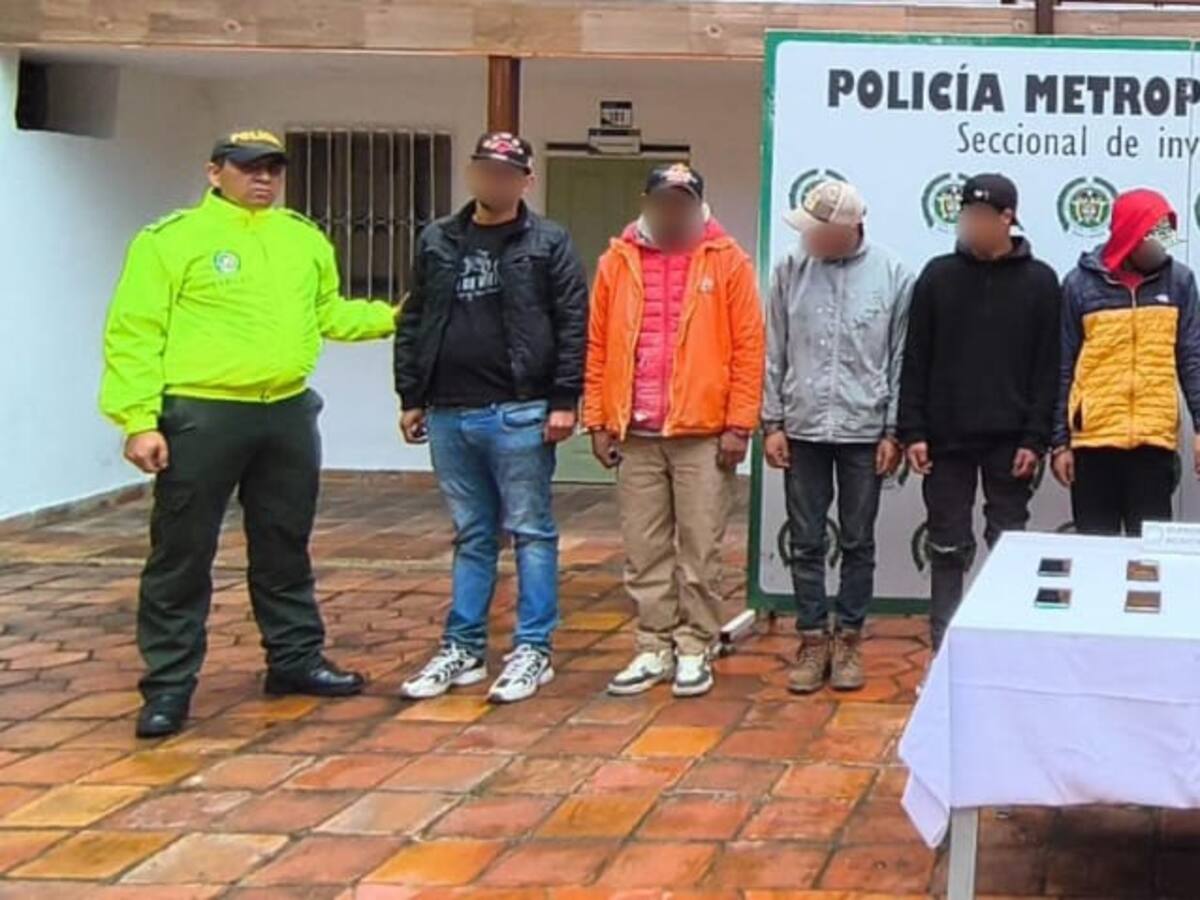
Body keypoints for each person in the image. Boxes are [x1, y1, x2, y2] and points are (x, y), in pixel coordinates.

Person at [100, 130, 399, 738]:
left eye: (273, 169)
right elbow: (134, 332)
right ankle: (168, 687)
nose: (262, 179)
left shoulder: (302, 238)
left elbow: (328, 314)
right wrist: (137, 420)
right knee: (182, 555)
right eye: (248, 168)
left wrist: (395, 317)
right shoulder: (171, 241)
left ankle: (293, 659)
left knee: (284, 545)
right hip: (202, 414)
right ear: (215, 172)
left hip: (285, 412)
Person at [395, 132, 588, 704]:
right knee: (472, 534)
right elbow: (415, 319)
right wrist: (411, 395)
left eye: (507, 172)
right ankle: (463, 648)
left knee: (530, 531)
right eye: (485, 170)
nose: (494, 181)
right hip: (449, 413)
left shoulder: (548, 241)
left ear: (525, 180)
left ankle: (533, 648)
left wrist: (563, 399)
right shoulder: (438, 240)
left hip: (520, 411)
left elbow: (572, 322)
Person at [584, 163, 764, 699]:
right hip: (636, 432)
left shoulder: (728, 262)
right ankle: (652, 645)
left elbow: (749, 349)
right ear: (647, 202)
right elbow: (597, 347)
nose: (672, 213)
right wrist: (598, 418)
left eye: (683, 203)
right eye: (664, 202)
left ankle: (695, 645)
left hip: (704, 433)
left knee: (700, 548)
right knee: (643, 548)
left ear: (698, 207)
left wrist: (739, 425)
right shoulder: (617, 261)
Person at [762, 179, 913, 694]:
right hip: (802, 427)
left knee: (858, 540)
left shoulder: (893, 274)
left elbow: (899, 358)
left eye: (818, 231)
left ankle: (847, 640)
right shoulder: (788, 269)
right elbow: (773, 348)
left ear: (848, 229)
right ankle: (811, 638)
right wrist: (773, 422)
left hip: (864, 430)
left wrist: (892, 429)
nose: (808, 239)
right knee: (805, 541)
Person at [898, 173, 1060, 652]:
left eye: (978, 215)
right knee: (947, 542)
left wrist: (1035, 439)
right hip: (945, 438)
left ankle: (1004, 638)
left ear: (1007, 218)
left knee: (1007, 540)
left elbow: (1047, 367)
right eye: (963, 214)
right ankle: (945, 642)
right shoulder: (937, 275)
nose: (967, 223)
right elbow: (915, 357)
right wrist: (913, 430)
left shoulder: (1041, 281)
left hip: (1011, 440)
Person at [1052, 188, 1200, 535]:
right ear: (1130, 233)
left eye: (1166, 233)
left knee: (1147, 561)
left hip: (1153, 443)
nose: (1162, 243)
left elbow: (1192, 357)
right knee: (1094, 554)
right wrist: (1060, 443)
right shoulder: (1079, 285)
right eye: (1154, 233)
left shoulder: (1179, 282)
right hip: (1093, 442)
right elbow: (1063, 365)